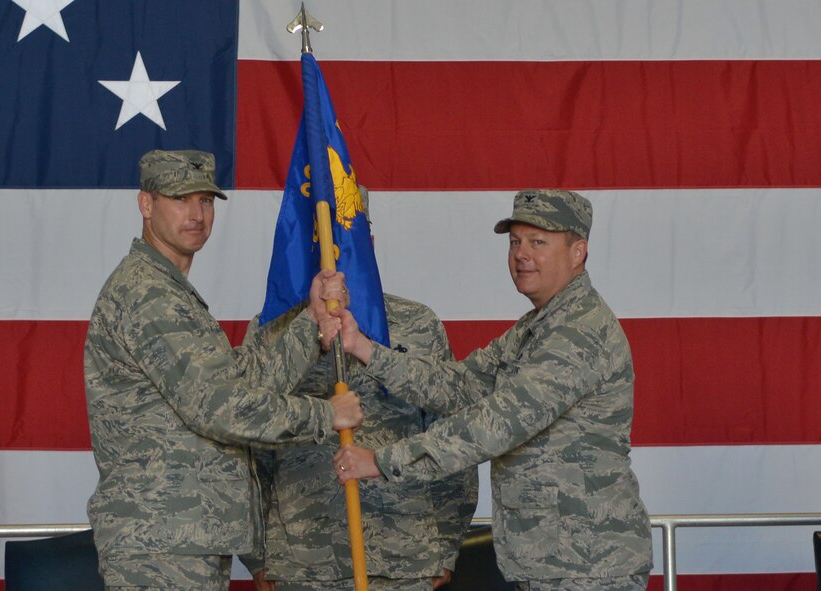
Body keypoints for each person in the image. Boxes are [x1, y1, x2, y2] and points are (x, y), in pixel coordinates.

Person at [332, 190, 653, 591]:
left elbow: (496, 423)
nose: (521, 254)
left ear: (578, 252)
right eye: (515, 241)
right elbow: (460, 385)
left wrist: (382, 461)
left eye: (539, 242)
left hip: (589, 565)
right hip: (551, 562)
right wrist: (364, 349)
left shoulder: (579, 331)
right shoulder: (537, 328)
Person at [84, 149, 362, 591]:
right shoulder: (147, 295)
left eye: (206, 201)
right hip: (162, 543)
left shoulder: (169, 290)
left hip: (183, 536)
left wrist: (310, 324)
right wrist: (326, 415)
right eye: (180, 199)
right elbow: (220, 408)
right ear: (146, 205)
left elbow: (236, 380)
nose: (196, 214)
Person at [242, 187, 478, 591]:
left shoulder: (417, 324)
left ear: (367, 239)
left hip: (406, 555)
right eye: (325, 236)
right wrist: (259, 555)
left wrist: (446, 544)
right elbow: (247, 448)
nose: (337, 248)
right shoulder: (273, 331)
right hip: (303, 561)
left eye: (348, 233)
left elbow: (452, 434)